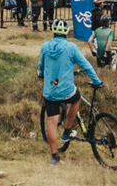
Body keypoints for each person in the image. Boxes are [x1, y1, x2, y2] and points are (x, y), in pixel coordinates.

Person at [39, 19, 102, 165]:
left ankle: (54, 156)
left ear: (53, 31)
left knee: (52, 121)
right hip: (66, 89)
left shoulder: (45, 46)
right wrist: (97, 80)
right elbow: (86, 65)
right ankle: (67, 131)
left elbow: (41, 65)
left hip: (50, 90)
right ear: (67, 32)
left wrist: (41, 73)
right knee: (76, 98)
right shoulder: (71, 47)